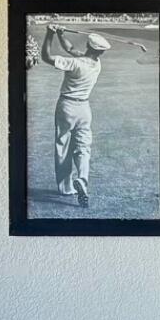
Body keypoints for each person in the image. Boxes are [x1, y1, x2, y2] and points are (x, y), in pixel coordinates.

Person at [38, 24, 112, 205]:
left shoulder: (74, 63)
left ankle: (66, 187)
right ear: (100, 52)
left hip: (66, 107)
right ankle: (83, 178)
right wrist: (61, 35)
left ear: (88, 46)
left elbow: (46, 57)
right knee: (83, 147)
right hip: (84, 109)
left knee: (63, 146)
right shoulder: (97, 64)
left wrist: (50, 34)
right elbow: (70, 48)